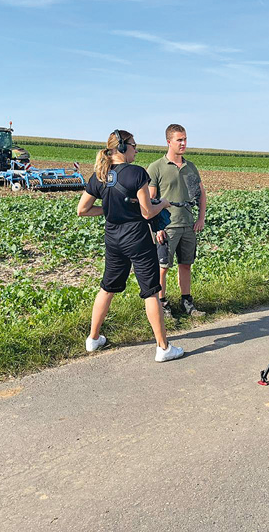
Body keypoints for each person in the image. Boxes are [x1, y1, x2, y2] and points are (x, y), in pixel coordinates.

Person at [76, 129, 184, 363]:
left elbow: (82, 210)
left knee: (108, 287)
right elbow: (147, 212)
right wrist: (163, 203)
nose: (136, 149)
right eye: (134, 145)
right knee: (151, 291)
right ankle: (163, 348)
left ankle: (93, 338)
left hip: (112, 237)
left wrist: (109, 209)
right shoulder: (137, 173)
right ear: (123, 148)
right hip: (136, 237)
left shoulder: (99, 175)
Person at [147, 124, 207, 318]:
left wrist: (200, 218)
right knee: (162, 267)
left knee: (186, 264)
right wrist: (157, 228)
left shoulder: (190, 167)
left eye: (185, 139)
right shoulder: (157, 167)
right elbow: (150, 200)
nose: (183, 143)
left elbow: (201, 194)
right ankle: (162, 304)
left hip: (188, 223)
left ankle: (187, 302)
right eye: (179, 140)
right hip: (167, 226)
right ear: (168, 142)